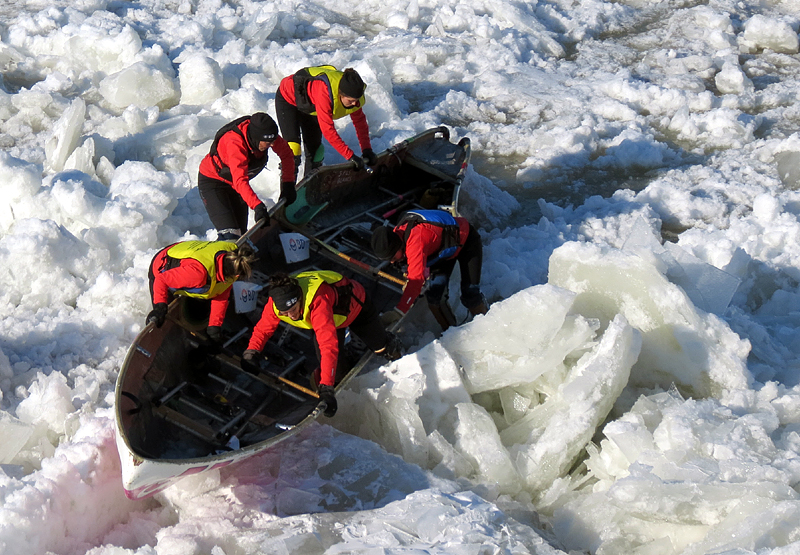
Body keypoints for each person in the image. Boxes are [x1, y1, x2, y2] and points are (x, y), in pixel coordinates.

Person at [242, 271, 402, 417]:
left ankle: (385, 338)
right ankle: (345, 358)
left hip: (354, 309)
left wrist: (326, 387)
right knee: (337, 374)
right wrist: (251, 352)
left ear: (300, 299)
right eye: (285, 313)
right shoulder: (276, 304)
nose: (291, 316)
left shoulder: (318, 301)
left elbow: (328, 346)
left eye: (294, 310)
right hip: (331, 322)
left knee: (382, 348)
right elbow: (263, 329)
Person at [370, 209, 488, 331]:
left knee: (470, 295)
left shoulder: (416, 240)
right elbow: (413, 265)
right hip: (443, 251)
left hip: (467, 241)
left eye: (393, 257)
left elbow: (416, 280)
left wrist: (399, 311)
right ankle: (452, 333)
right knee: (434, 299)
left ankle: (487, 327)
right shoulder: (396, 234)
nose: (392, 262)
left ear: (399, 246)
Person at [197, 112, 297, 241]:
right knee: (231, 236)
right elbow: (240, 181)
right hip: (214, 183)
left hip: (236, 185)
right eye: (267, 143)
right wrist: (257, 206)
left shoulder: (268, 136)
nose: (272, 145)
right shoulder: (234, 144)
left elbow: (287, 155)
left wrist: (288, 184)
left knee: (242, 236)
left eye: (273, 141)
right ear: (255, 138)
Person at [275, 65, 377, 178]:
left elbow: (360, 123)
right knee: (293, 150)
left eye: (356, 101)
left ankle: (310, 189)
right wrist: (350, 156)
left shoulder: (355, 96)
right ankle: (287, 191)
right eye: (351, 101)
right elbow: (328, 131)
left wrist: (366, 149)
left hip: (311, 106)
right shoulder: (325, 94)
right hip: (288, 99)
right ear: (340, 95)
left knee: (317, 153)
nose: (354, 104)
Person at [146, 240, 256, 341]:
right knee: (165, 319)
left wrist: (214, 327)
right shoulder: (197, 274)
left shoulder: (233, 257)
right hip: (163, 264)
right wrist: (160, 306)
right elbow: (161, 280)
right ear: (237, 274)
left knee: (204, 299)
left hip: (188, 255)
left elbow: (221, 294)